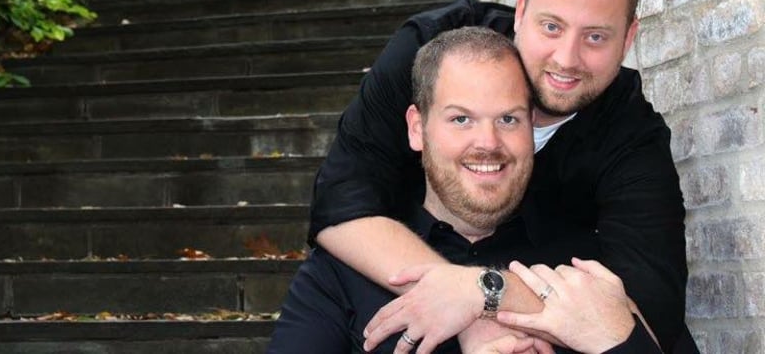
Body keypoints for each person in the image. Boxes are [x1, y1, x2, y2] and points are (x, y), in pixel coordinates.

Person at [309, 0, 690, 353]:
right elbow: (340, 201)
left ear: (629, 38)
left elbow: (648, 316)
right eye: (551, 26)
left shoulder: (632, 135)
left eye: (595, 37)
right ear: (521, 11)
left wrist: (482, 294)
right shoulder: (435, 50)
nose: (567, 57)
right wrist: (461, 308)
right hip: (399, 278)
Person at [267, 27, 660, 353]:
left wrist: (488, 295)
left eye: (508, 118)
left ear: (532, 130)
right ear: (417, 128)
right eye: (461, 119)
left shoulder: (585, 265)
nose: (488, 142)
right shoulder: (341, 269)